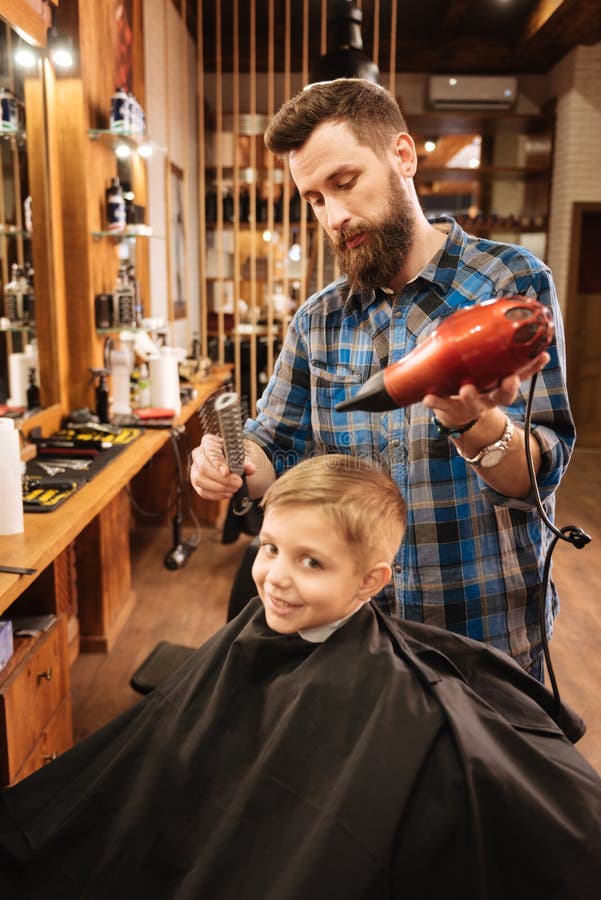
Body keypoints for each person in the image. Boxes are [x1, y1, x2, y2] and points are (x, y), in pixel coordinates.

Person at [1, 454, 600, 900]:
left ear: (370, 582)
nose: (276, 579)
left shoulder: (394, 699)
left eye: (310, 562)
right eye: (269, 549)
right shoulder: (256, 632)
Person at [191, 77, 575, 681]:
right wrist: (231, 462)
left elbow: (538, 474)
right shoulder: (318, 320)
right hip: (353, 634)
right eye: (315, 199)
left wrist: (476, 424)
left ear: (402, 156)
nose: (335, 215)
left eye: (345, 183)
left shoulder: (508, 283)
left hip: (481, 629)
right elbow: (276, 446)